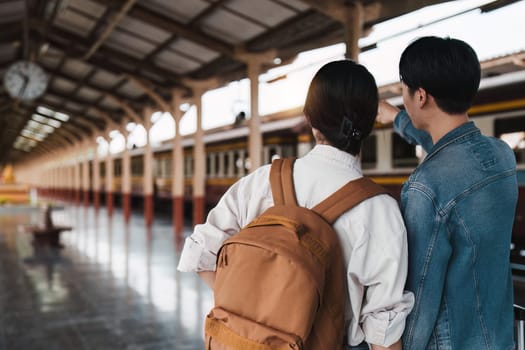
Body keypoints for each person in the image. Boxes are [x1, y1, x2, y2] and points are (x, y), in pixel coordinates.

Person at [177, 60, 414, 350]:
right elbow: (383, 334)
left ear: (310, 118)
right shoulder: (380, 210)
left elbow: (198, 253)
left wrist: (257, 308)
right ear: (371, 123)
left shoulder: (261, 181)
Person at [377, 36, 518, 350]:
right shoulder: (501, 156)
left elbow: (420, 294)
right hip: (499, 340)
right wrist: (397, 118)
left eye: (404, 89)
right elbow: (453, 151)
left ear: (421, 96)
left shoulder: (425, 187)